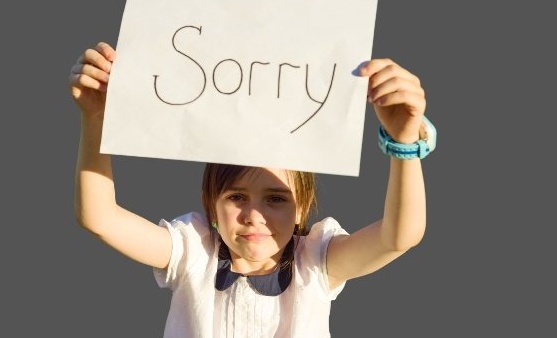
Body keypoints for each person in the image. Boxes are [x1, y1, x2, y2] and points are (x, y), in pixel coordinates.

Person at [69, 42, 430, 337]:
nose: (254, 215)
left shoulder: (317, 263)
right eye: (237, 197)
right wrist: (96, 119)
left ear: (302, 207)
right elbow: (100, 218)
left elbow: (398, 237)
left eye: (276, 198)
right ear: (211, 206)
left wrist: (403, 144)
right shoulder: (193, 252)